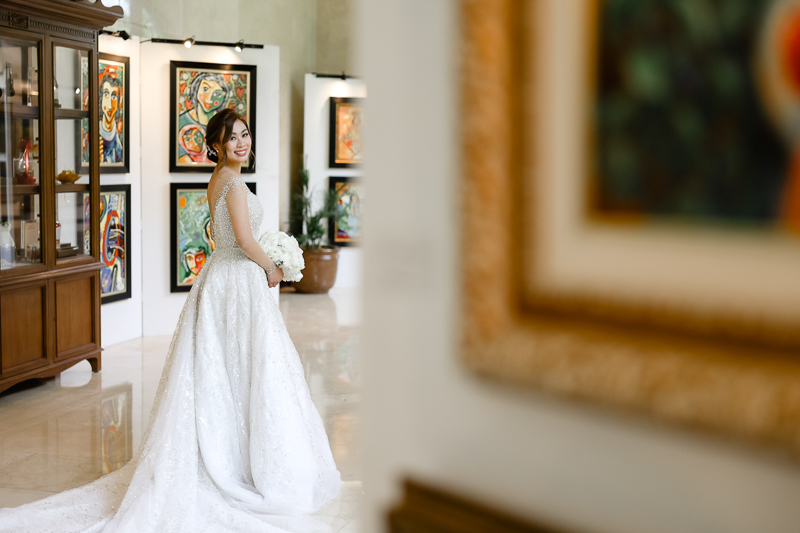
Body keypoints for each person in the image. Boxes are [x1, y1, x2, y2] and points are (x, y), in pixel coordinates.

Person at [0, 109, 342, 532]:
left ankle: (235, 454)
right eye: (232, 137)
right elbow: (244, 239)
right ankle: (241, 464)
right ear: (216, 145)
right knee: (243, 367)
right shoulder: (233, 183)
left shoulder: (219, 178)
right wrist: (273, 267)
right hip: (236, 281)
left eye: (245, 134)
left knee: (230, 368)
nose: (241, 143)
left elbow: (230, 239)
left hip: (223, 278)